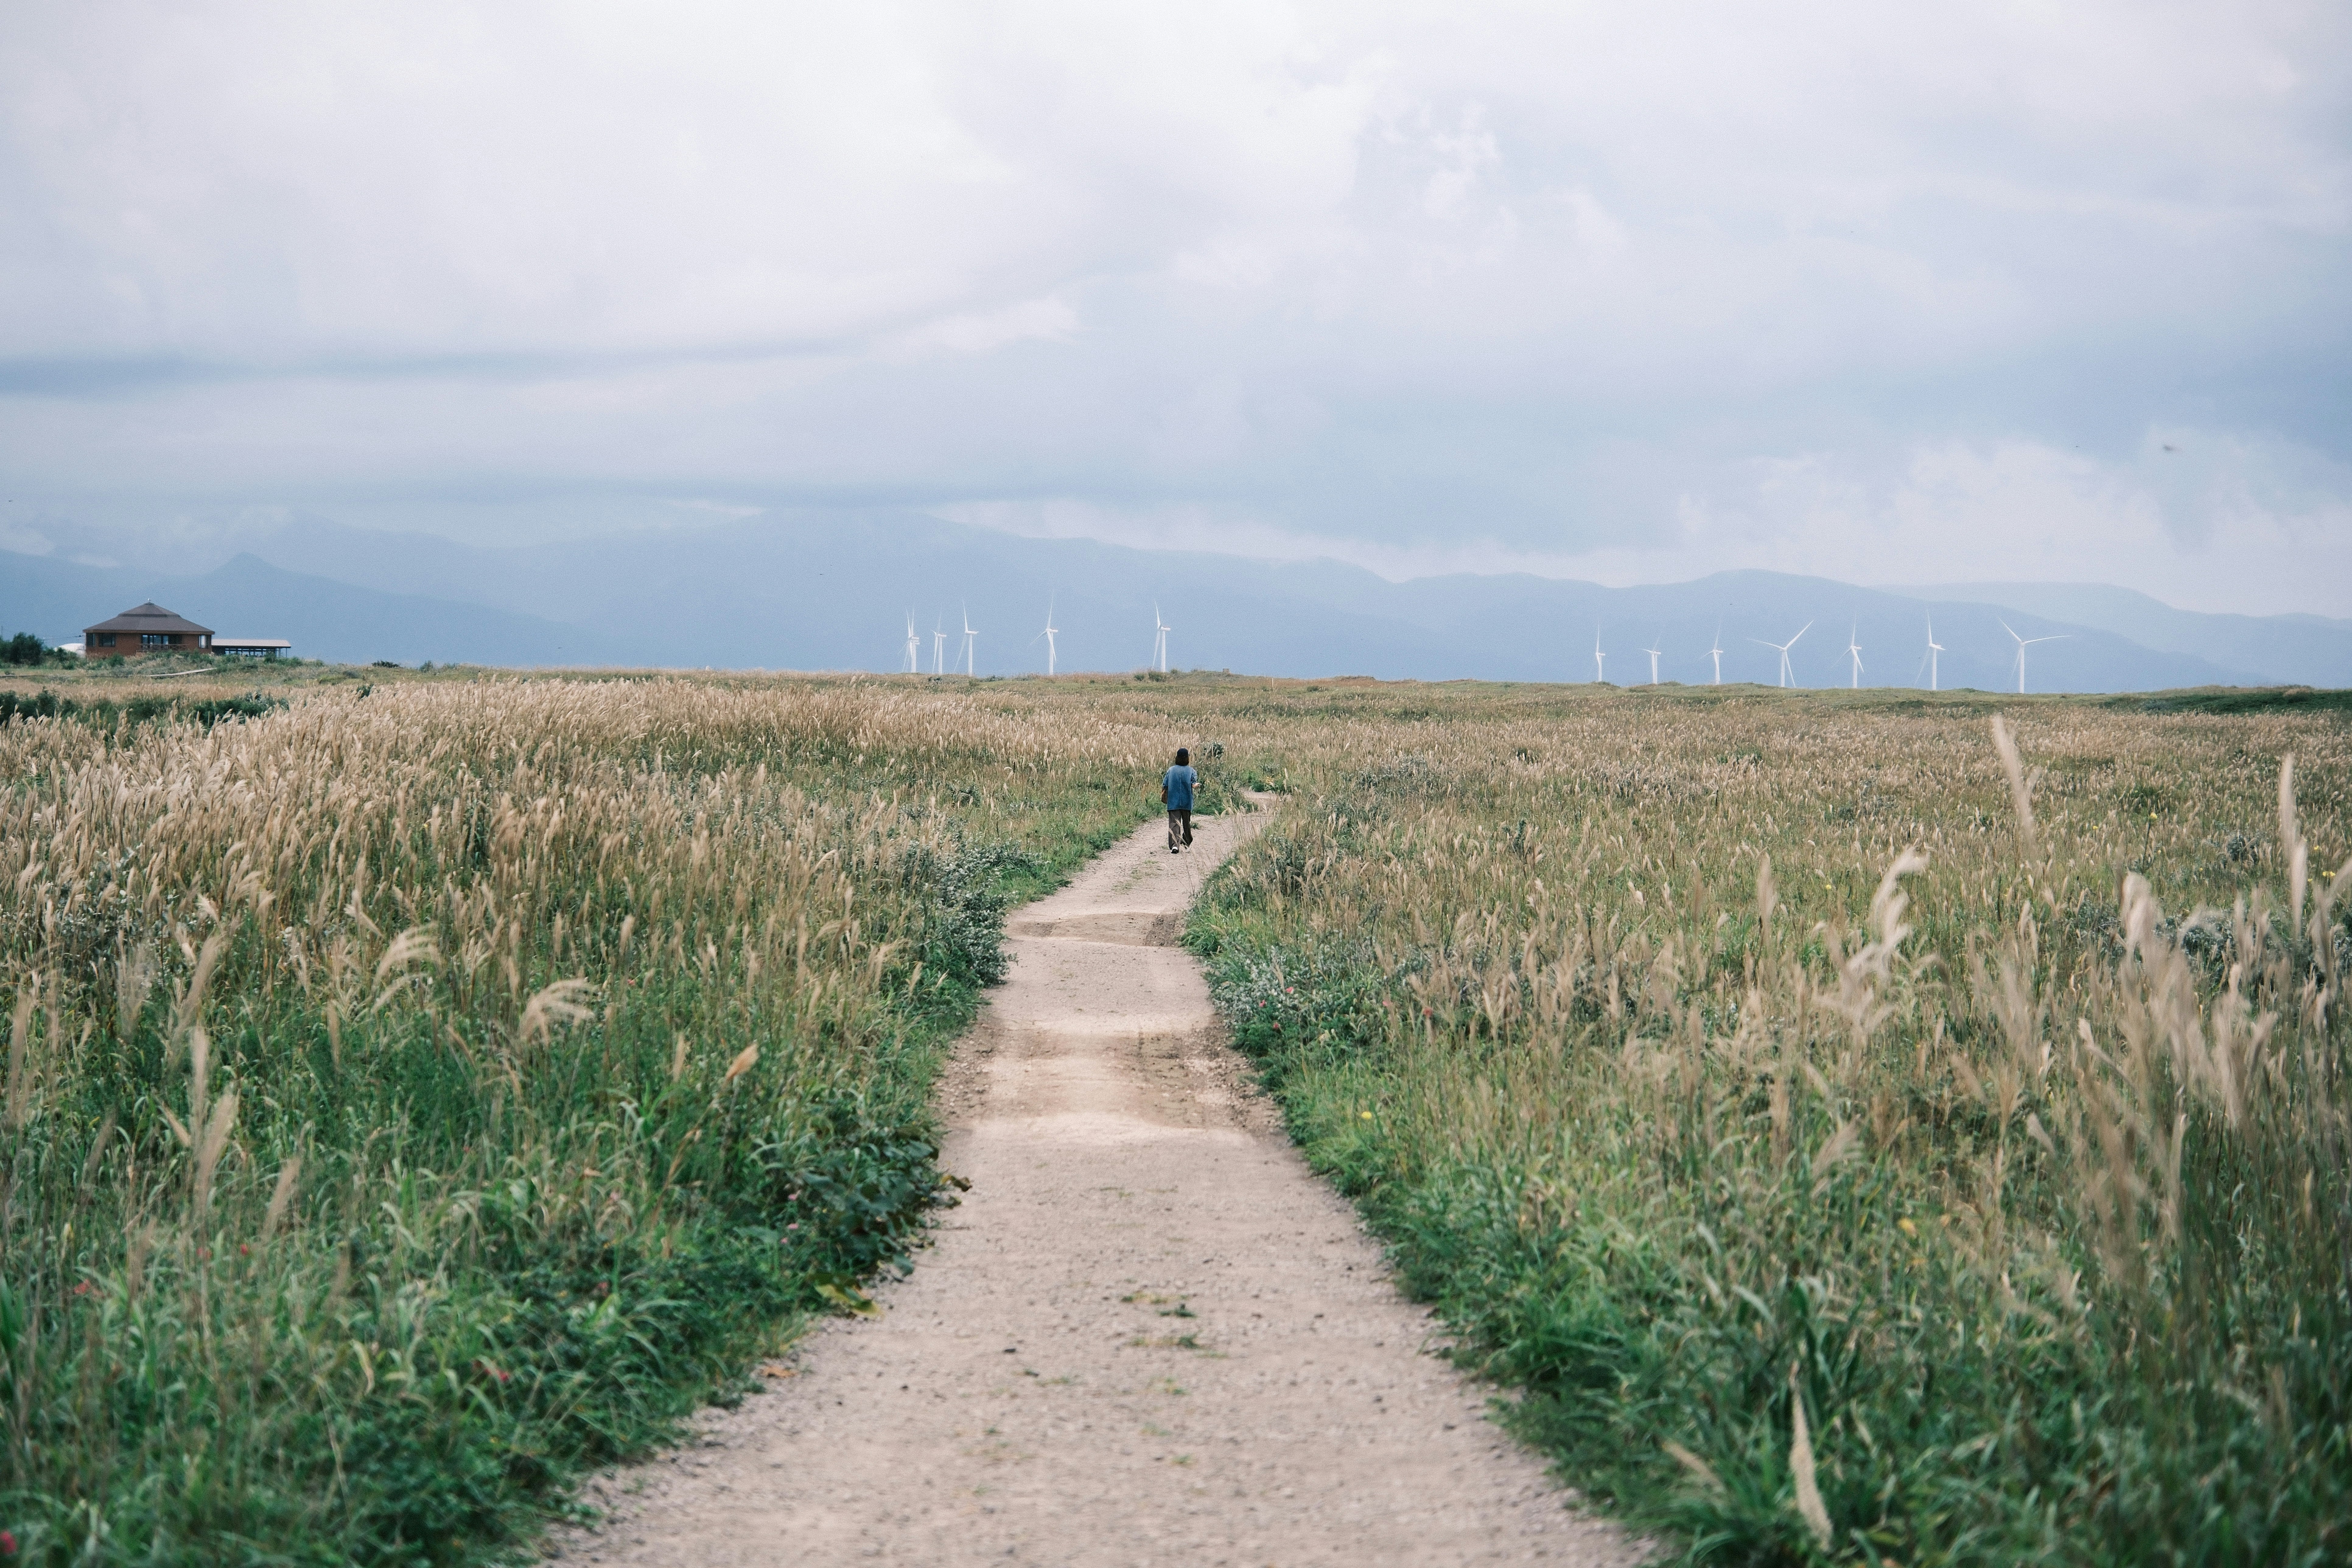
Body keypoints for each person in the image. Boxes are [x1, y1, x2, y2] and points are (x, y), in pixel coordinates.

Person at [1161, 747, 1197, 853]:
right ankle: (1186, 842)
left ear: (1177, 757)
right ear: (1187, 758)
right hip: (1187, 802)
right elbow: (1194, 783)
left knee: (1174, 823)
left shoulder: (1171, 770)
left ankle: (1175, 846)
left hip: (1173, 801)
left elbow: (1165, 784)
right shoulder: (1191, 771)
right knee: (1187, 823)